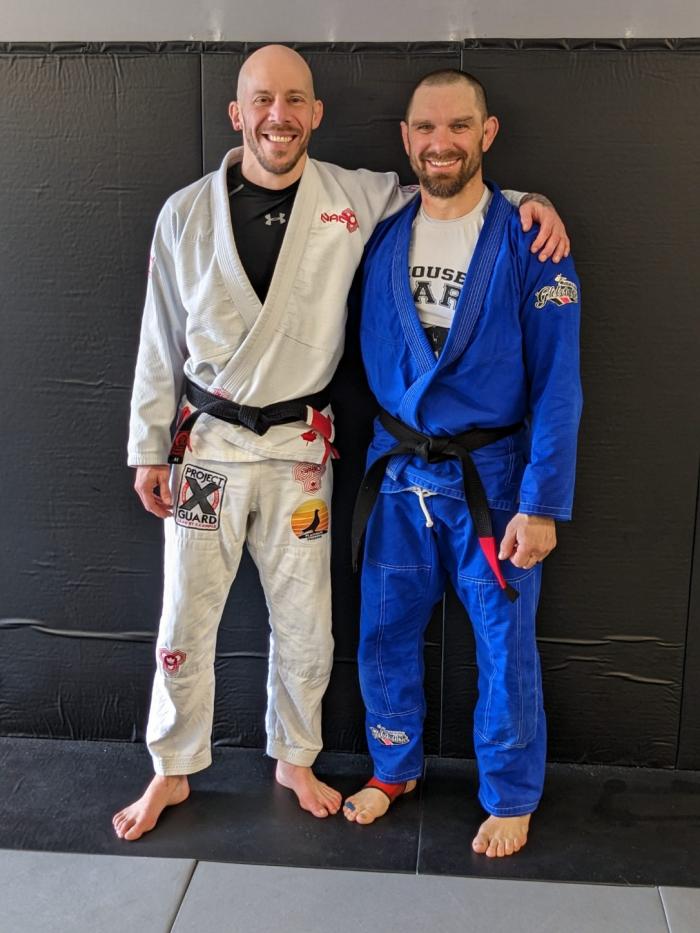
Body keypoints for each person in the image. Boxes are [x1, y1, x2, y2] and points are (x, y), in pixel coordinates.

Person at [112, 45, 570, 842]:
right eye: (263, 99)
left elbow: (450, 183)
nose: (278, 116)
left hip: (305, 449)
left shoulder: (354, 197)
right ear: (237, 112)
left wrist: (532, 200)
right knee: (184, 616)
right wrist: (148, 445)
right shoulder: (185, 213)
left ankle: (299, 757)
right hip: (207, 446)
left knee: (310, 624)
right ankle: (173, 765)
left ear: (317, 113)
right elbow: (159, 337)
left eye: (295, 99)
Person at [343, 69, 582, 860]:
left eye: (457, 126)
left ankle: (510, 792)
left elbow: (558, 384)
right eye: (425, 127)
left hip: (495, 478)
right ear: (405, 137)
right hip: (395, 470)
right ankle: (393, 765)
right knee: (383, 629)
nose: (440, 142)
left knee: (504, 641)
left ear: (487, 132)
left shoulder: (530, 239)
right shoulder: (380, 228)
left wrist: (541, 503)